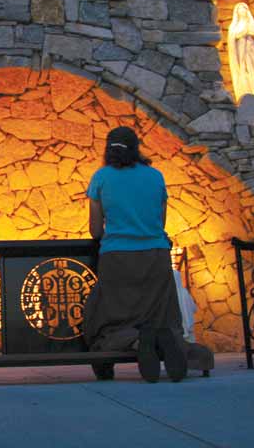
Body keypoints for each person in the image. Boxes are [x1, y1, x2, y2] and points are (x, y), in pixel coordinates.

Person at [83, 126, 187, 383]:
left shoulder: (101, 178)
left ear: (108, 150)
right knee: (159, 312)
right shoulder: (155, 176)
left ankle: (135, 341)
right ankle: (166, 338)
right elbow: (160, 223)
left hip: (117, 258)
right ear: (136, 148)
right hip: (156, 256)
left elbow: (96, 231)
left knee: (109, 317)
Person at [228, 2, 254, 102]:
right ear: (237, 12)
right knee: (243, 70)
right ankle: (244, 91)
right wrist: (242, 33)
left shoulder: (252, 24)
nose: (242, 10)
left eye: (244, 8)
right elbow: (233, 37)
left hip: (252, 50)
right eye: (240, 9)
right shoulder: (235, 25)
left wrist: (253, 34)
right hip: (241, 51)